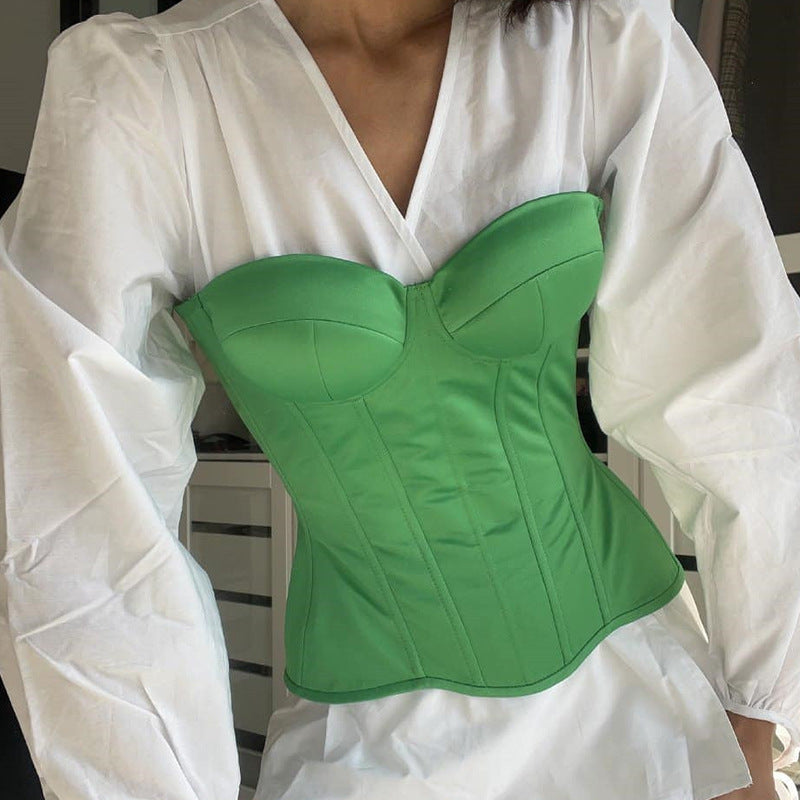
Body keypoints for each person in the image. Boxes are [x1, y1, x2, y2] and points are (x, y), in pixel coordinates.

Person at [0, 0, 798, 798]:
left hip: (645, 693)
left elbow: (738, 383)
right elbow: (77, 519)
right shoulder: (144, 93)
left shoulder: (596, 38)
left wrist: (754, 714)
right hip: (368, 742)